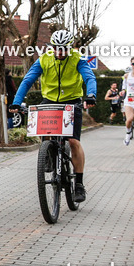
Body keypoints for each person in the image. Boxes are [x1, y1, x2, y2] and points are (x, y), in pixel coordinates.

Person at [10, 29, 97, 201]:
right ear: (52, 47)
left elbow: (89, 78)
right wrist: (17, 101)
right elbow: (28, 80)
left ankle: (79, 184)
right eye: (57, 48)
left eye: (64, 49)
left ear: (70, 47)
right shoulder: (44, 59)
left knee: (73, 141)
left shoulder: (77, 59)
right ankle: (48, 155)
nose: (60, 52)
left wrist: (91, 95)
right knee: (45, 131)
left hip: (72, 101)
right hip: (49, 100)